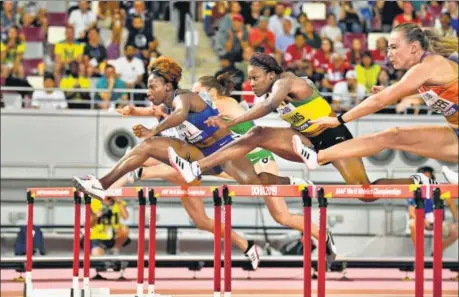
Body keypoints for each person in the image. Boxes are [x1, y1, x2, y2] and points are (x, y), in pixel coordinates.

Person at [74, 56, 292, 269]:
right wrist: (133, 111)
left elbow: (179, 114)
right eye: (147, 88)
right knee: (147, 147)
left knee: (252, 184)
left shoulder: (185, 97)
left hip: (224, 153)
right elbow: (155, 111)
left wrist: (154, 129)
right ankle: (100, 185)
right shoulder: (164, 107)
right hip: (196, 157)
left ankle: (288, 181)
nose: (148, 92)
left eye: (152, 87)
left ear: (168, 86)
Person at [115, 73, 337, 262]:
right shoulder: (201, 107)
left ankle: (320, 230)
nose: (193, 97)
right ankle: (132, 174)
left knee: (282, 216)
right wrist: (134, 110)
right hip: (229, 159)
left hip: (256, 158)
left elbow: (175, 114)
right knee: (178, 160)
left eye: (197, 92)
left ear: (211, 92)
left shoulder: (220, 104)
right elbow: (163, 110)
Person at [168, 52, 433, 191]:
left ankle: (417, 180)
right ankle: (196, 167)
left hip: (335, 138)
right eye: (249, 78)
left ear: (272, 75)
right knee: (257, 134)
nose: (252, 83)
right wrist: (225, 120)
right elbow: (254, 115)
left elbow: (268, 106)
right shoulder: (273, 88)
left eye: (256, 77)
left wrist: (227, 124)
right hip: (306, 143)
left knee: (363, 192)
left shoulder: (288, 81)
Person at [290, 24, 458, 185]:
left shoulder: (428, 66)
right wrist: (391, 91)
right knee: (392, 135)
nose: (389, 54)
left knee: (392, 135)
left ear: (413, 47)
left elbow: (379, 101)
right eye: (387, 48)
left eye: (393, 47)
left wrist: (338, 120)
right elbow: (438, 90)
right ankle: (318, 157)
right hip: (455, 135)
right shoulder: (425, 72)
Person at [407, 167, 458, 254]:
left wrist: (457, 219)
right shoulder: (414, 190)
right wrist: (422, 220)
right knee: (412, 225)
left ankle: (438, 250)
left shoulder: (441, 189)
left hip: (439, 221)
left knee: (456, 231)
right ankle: (419, 252)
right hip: (421, 220)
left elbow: (451, 204)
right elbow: (411, 212)